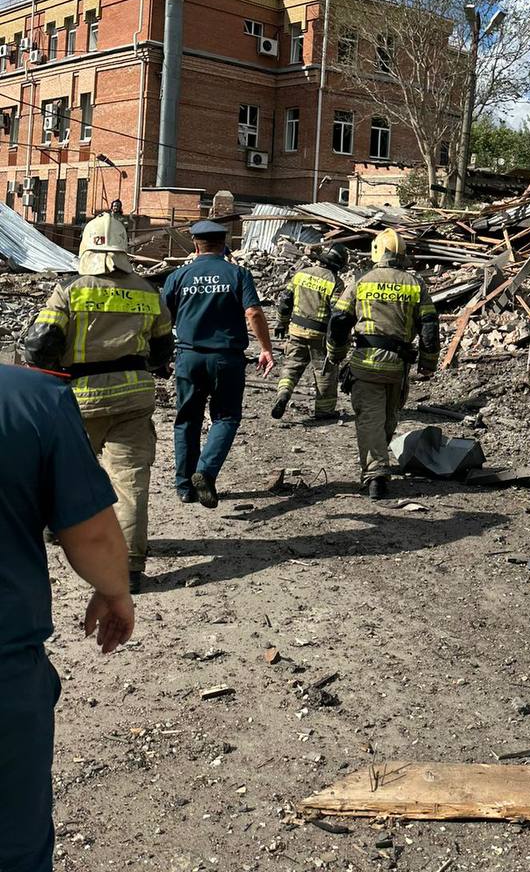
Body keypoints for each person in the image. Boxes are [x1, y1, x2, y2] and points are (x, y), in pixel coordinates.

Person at [0, 364, 134, 872]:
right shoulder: (32, 398)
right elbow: (92, 534)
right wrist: (114, 590)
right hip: (4, 667)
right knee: (12, 839)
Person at [22, 213, 173, 595]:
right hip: (134, 398)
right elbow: (162, 350)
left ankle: (60, 531)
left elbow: (39, 346)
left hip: (81, 399)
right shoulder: (147, 290)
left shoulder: (70, 290)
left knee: (67, 472)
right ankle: (130, 569)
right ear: (125, 250)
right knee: (130, 483)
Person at [162, 220, 275, 509]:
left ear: (196, 244)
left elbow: (162, 319)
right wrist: (265, 348)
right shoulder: (238, 274)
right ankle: (206, 471)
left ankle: (185, 487)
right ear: (224, 244)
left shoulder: (179, 276)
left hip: (188, 358)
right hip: (226, 359)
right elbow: (253, 312)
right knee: (225, 417)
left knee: (187, 420)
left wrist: (161, 357)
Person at [327, 229, 440, 500]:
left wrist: (336, 352)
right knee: (388, 419)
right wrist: (428, 362)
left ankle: (376, 474)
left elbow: (340, 320)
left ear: (377, 251)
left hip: (365, 364)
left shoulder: (361, 282)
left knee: (370, 420)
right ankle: (378, 465)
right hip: (397, 368)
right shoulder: (415, 285)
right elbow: (429, 325)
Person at [272, 243, 349, 422]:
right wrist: (338, 341)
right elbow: (337, 314)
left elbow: (285, 300)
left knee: (291, 366)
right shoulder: (335, 282)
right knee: (325, 372)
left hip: (296, 330)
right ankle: (324, 411)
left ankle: (283, 394)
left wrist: (281, 322)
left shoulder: (301, 274)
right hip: (319, 336)